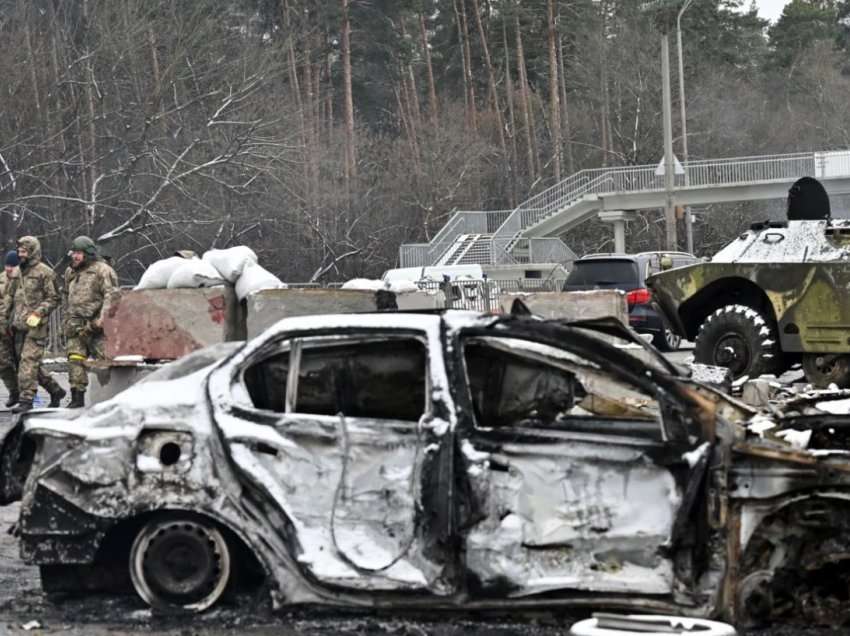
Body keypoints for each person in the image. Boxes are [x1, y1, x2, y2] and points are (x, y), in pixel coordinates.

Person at [0, 236, 66, 413]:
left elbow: (54, 298)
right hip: (18, 326)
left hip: (36, 327)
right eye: (19, 251)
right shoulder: (18, 274)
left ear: (32, 252)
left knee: (28, 362)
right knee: (28, 365)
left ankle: (26, 400)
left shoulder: (45, 272)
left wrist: (39, 312)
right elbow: (9, 299)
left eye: (24, 252)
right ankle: (56, 390)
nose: (20, 255)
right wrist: (5, 322)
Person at [63, 236, 118, 408]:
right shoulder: (70, 272)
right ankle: (77, 397)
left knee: (105, 363)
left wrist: (102, 319)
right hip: (75, 326)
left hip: (97, 326)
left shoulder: (103, 270)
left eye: (79, 253)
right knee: (75, 360)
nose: (75, 257)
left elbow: (112, 296)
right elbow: (67, 296)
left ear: (88, 253)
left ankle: (111, 397)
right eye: (74, 253)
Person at [0, 251, 20, 406]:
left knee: (26, 364)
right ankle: (14, 392)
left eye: (12, 266)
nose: (8, 269)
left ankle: (53, 389)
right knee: (3, 363)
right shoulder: (1, 280)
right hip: (3, 328)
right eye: (7, 265)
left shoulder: (24, 279)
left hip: (19, 328)